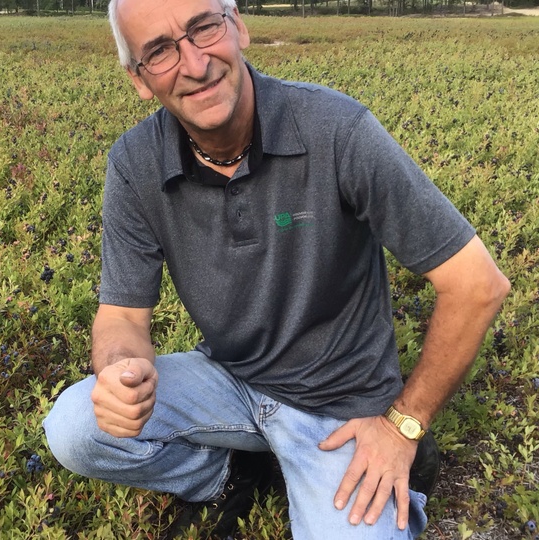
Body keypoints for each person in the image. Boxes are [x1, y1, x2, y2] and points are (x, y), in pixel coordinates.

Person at [43, 0, 511, 537]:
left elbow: (477, 284)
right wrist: (121, 369)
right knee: (77, 426)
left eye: (203, 28)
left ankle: (387, 462)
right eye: (161, 51)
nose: (195, 64)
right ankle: (226, 472)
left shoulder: (337, 129)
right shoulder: (135, 164)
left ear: (237, 25)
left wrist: (404, 425)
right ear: (139, 79)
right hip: (228, 378)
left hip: (340, 410)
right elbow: (122, 315)